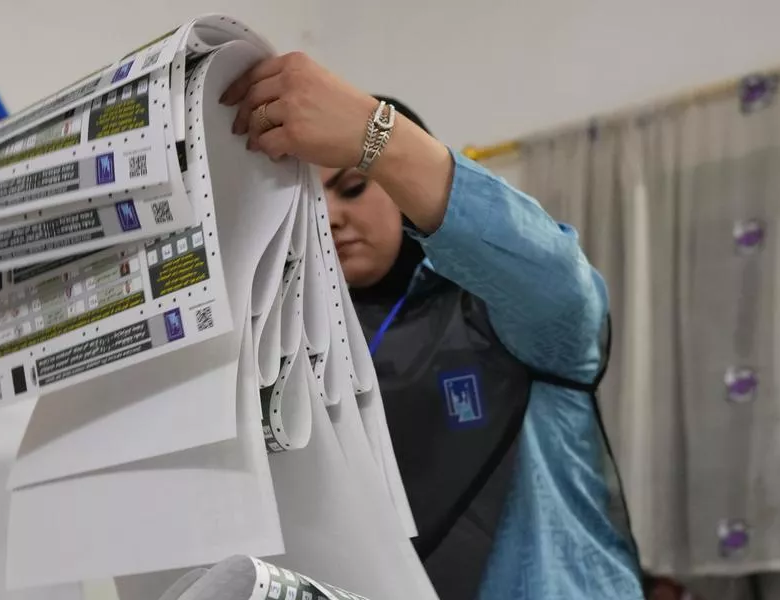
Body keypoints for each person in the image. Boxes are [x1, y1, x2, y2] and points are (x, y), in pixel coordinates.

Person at [222, 54, 643, 598]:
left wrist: (378, 137)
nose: (330, 215)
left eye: (353, 187)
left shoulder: (494, 309)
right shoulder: (294, 340)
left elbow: (565, 290)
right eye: (309, 199)